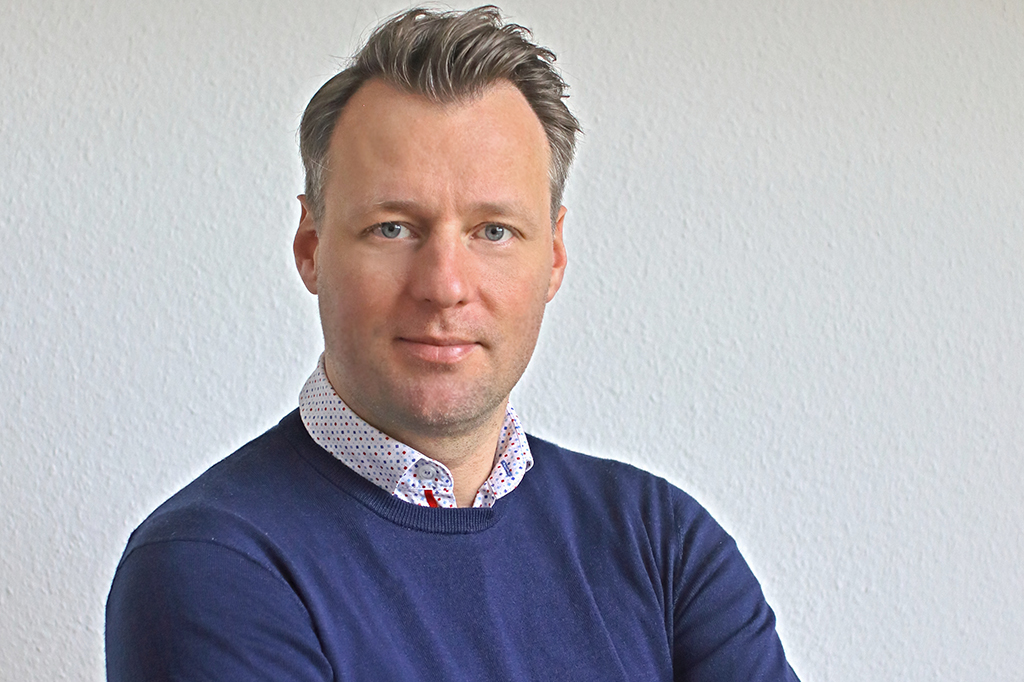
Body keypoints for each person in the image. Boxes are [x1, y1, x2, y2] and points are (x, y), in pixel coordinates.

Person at [106, 6, 799, 681]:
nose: (444, 287)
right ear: (311, 248)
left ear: (554, 257)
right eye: (393, 228)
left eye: (493, 231)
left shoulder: (663, 544)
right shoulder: (211, 563)